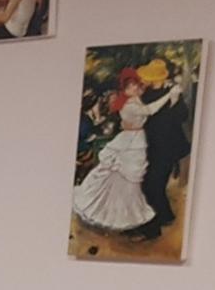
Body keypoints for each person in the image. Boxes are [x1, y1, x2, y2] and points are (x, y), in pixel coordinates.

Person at [73, 66, 186, 236]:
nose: (135, 88)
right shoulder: (128, 104)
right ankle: (124, 216)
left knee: (132, 180)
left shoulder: (136, 98)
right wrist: (168, 95)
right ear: (124, 89)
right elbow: (149, 111)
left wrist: (168, 89)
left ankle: (141, 217)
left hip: (136, 141)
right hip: (130, 142)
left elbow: (149, 97)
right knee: (126, 179)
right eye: (130, 86)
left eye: (135, 84)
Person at [135, 58, 192, 240]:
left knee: (153, 185)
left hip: (167, 147)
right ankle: (166, 216)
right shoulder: (146, 94)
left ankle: (152, 229)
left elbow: (182, 116)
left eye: (148, 77)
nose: (144, 80)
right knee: (150, 184)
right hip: (150, 146)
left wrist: (174, 101)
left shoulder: (172, 92)